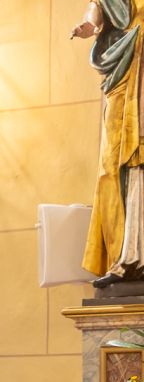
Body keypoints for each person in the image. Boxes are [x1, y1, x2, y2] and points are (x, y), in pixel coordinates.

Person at [74, 2, 144, 284]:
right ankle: (126, 257)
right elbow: (98, 9)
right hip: (128, 76)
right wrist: (88, 26)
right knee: (117, 166)